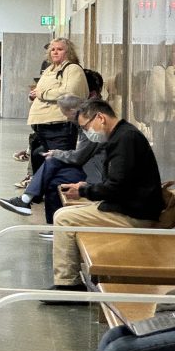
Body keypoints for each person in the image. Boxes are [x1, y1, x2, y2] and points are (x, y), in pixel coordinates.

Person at [48, 99, 164, 296]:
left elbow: (117, 186)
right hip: (128, 206)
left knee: (63, 217)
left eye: (85, 127)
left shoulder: (125, 139)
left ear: (100, 118)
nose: (86, 132)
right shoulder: (123, 135)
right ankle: (69, 280)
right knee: (68, 212)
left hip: (135, 215)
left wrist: (84, 192)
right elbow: (118, 182)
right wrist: (87, 187)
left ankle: (68, 284)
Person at [0, 94, 105, 235]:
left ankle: (26, 199)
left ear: (73, 111)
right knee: (54, 180)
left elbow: (79, 157)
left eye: (66, 114)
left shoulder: (91, 128)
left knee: (53, 160)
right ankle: (52, 226)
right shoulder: (82, 125)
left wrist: (57, 153)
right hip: (88, 169)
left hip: (94, 176)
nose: (66, 118)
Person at [26, 38, 89, 175]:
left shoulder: (73, 69)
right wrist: (35, 95)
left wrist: (41, 94)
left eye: (60, 49)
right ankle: (40, 194)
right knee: (40, 157)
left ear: (68, 52)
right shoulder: (49, 69)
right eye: (53, 49)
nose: (55, 52)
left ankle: (52, 194)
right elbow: (41, 90)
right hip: (43, 125)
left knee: (58, 164)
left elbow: (68, 93)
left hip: (60, 126)